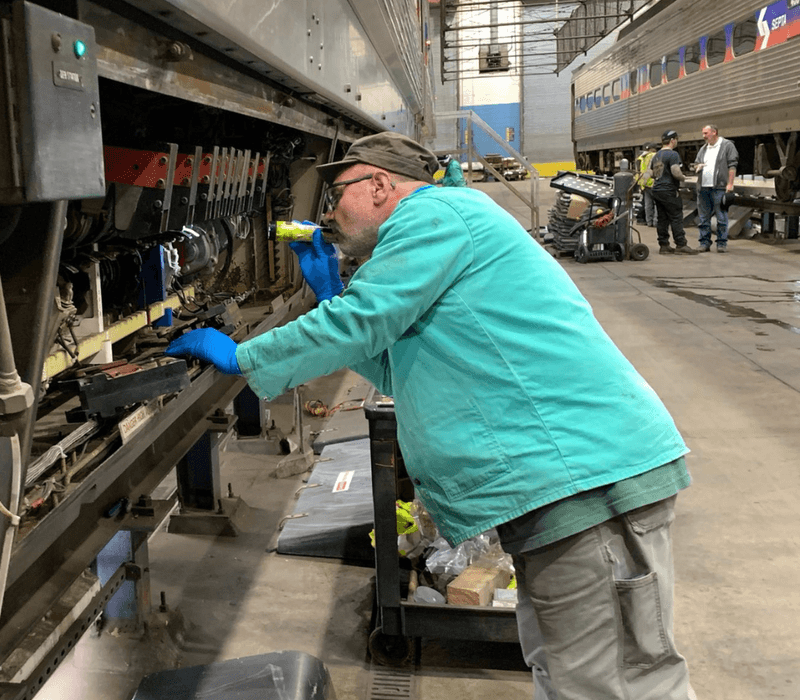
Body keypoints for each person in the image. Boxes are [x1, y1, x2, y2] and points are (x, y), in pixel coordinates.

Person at [165, 131, 695, 700]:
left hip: (587, 485)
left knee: (609, 684)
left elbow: (363, 323)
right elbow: (400, 369)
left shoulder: (434, 216)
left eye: (335, 195)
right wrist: (331, 294)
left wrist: (244, 356)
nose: (329, 214)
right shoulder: (444, 222)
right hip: (568, 482)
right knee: (568, 672)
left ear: (378, 184)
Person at [652, 130, 698, 255]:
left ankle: (664, 245)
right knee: (676, 217)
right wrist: (683, 178)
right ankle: (681, 244)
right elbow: (675, 171)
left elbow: (653, 174)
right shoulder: (673, 155)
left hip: (657, 190)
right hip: (669, 191)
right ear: (673, 140)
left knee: (662, 219)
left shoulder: (656, 155)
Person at [693, 124, 737, 252]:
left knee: (721, 217)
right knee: (703, 217)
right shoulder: (703, 149)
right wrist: (697, 167)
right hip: (703, 188)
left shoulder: (727, 146)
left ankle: (721, 244)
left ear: (714, 132)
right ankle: (704, 243)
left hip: (719, 187)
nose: (704, 136)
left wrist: (730, 183)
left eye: (706, 133)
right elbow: (696, 163)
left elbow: (732, 165)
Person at [635, 143, 657, 227]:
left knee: (647, 204)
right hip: (652, 182)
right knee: (656, 204)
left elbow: (638, 171)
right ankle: (655, 222)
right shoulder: (654, 156)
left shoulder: (640, 157)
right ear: (652, 149)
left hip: (643, 183)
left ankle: (649, 222)